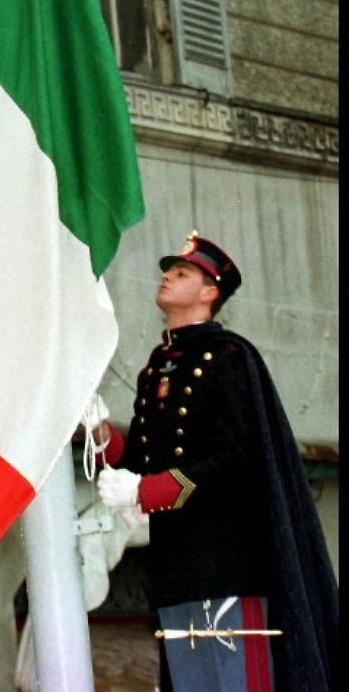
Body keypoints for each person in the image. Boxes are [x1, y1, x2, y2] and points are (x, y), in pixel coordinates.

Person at [83, 231, 338, 692]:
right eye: (168, 269)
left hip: (229, 566)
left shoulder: (229, 358)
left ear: (208, 292)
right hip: (177, 566)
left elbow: (240, 460)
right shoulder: (158, 366)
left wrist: (145, 492)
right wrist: (100, 434)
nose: (166, 276)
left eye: (180, 272)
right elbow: (142, 458)